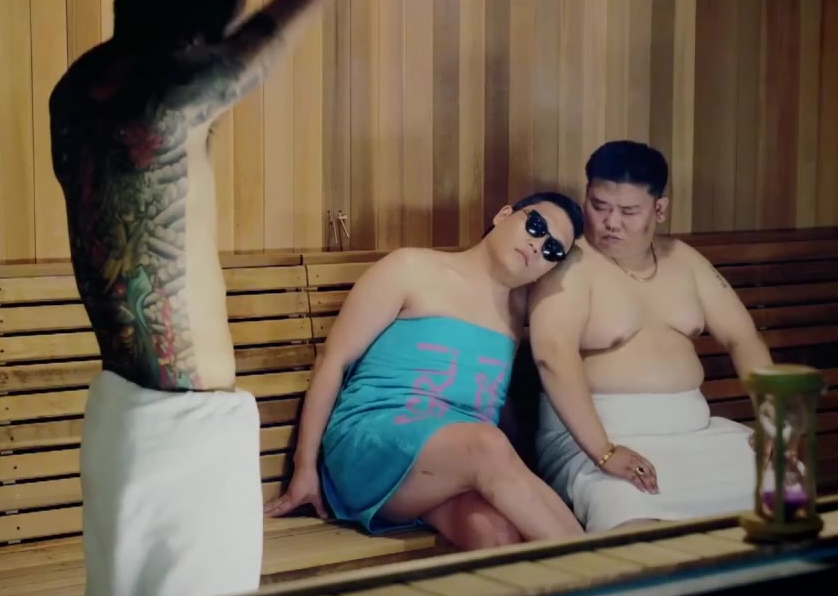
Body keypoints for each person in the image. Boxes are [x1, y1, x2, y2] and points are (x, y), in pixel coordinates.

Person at [48, 0, 330, 596]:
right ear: (195, 25)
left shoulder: (75, 90)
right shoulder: (180, 91)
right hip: (188, 422)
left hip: (119, 414)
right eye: (222, 28)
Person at [264, 194, 588, 550]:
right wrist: (304, 468)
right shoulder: (411, 268)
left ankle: (594, 574)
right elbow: (332, 360)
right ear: (503, 214)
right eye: (536, 225)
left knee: (494, 533)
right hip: (372, 442)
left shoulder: (518, 313)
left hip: (446, 467)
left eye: (553, 250)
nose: (537, 245)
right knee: (488, 443)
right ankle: (605, 570)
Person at [528, 140, 771, 532]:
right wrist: (605, 452)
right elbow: (551, 354)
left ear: (659, 209)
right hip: (595, 438)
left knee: (786, 491)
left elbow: (742, 337)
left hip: (698, 434)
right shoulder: (569, 264)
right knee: (631, 516)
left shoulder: (683, 259)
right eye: (599, 205)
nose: (610, 222)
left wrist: (774, 419)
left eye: (628, 211)